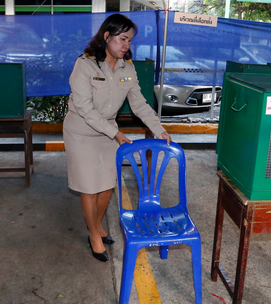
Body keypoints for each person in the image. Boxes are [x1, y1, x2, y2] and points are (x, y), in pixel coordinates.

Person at [63, 14, 171, 262]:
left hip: (108, 132)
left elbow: (140, 104)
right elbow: (84, 108)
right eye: (122, 39)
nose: (126, 45)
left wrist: (159, 128)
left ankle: (98, 225)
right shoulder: (85, 64)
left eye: (130, 40)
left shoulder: (128, 67)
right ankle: (93, 233)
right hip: (81, 131)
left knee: (106, 185)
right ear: (106, 36)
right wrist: (116, 133)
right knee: (89, 187)